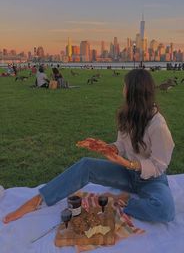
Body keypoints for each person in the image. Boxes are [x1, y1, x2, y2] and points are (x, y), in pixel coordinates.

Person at [3, 69, 175, 224]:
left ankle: (121, 200)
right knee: (86, 164)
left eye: (125, 86)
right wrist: (107, 148)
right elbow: (122, 144)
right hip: (127, 174)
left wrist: (128, 164)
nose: (122, 90)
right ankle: (39, 200)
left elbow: (159, 165)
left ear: (134, 92)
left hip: (151, 180)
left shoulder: (157, 125)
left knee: (164, 210)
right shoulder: (128, 115)